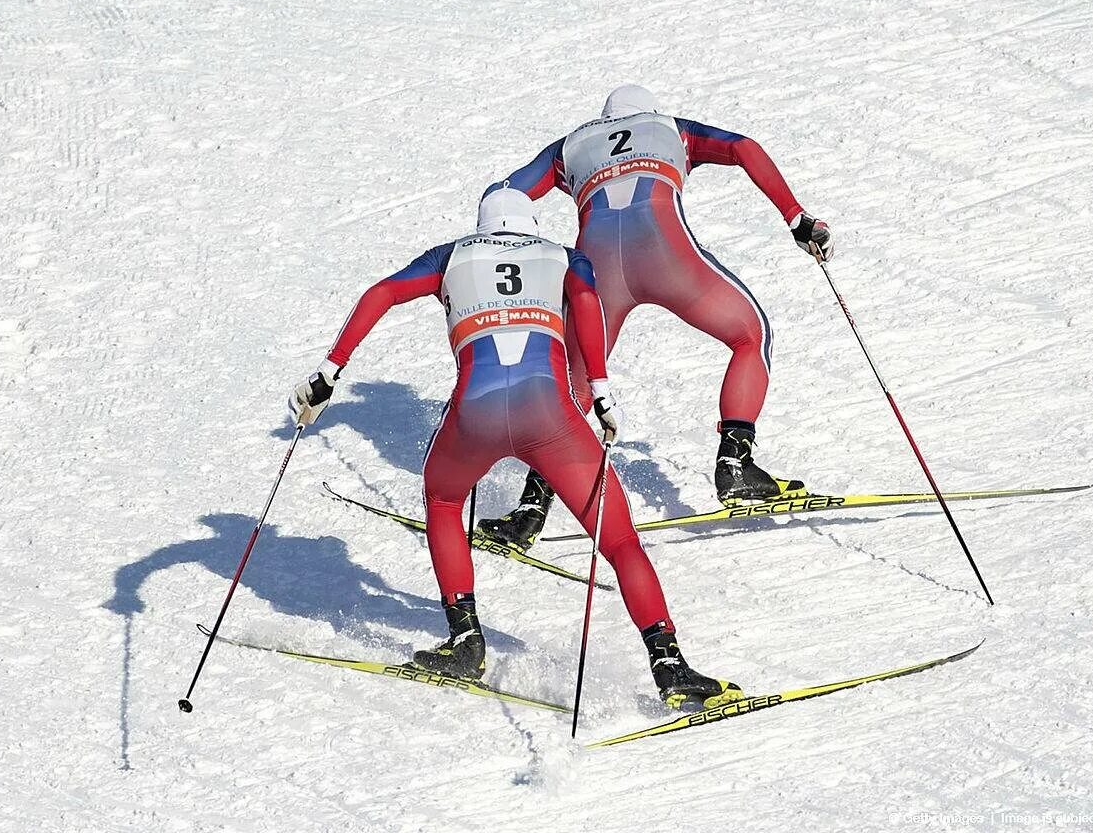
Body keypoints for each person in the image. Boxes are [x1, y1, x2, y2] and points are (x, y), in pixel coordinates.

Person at [289, 188, 743, 711]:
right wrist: (600, 389)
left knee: (443, 501)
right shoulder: (563, 257)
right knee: (619, 542)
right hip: (552, 417)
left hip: (474, 415)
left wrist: (329, 372)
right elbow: (590, 306)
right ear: (529, 223)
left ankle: (465, 639)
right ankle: (670, 665)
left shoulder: (452, 255)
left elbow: (381, 293)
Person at [477, 84, 834, 551]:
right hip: (667, 256)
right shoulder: (670, 128)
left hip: (598, 271)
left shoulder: (570, 146)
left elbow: (504, 193)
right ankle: (735, 462)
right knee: (750, 334)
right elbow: (743, 147)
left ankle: (528, 512)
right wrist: (796, 219)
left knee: (575, 390)